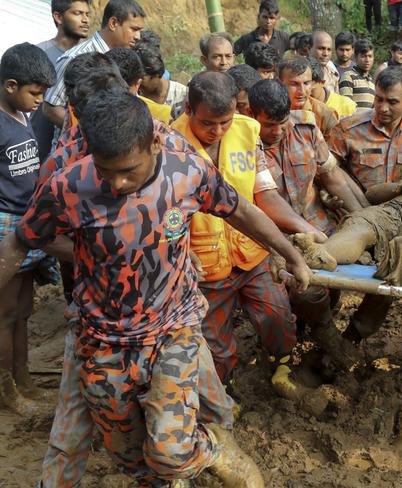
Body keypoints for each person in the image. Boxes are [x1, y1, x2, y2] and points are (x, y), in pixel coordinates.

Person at [2, 88, 299, 486]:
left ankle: (217, 450)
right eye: (107, 171)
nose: (118, 183)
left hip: (171, 330)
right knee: (134, 460)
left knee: (170, 451)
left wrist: (289, 253)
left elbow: (239, 209)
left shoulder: (187, 172)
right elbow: (22, 240)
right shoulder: (68, 187)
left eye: (129, 170)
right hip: (102, 341)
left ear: (155, 143)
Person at [171, 72, 328, 416]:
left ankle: (282, 369)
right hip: (204, 265)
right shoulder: (168, 145)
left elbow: (263, 193)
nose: (217, 131)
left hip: (251, 251)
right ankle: (223, 392)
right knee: (215, 339)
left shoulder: (246, 131)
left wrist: (302, 227)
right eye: (208, 123)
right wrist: (181, 256)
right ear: (188, 109)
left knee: (277, 315)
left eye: (224, 121)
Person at [247, 79, 363, 369]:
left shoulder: (307, 128)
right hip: (272, 237)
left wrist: (363, 215)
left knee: (334, 282)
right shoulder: (242, 140)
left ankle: (314, 323)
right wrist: (305, 232)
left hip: (318, 225)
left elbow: (332, 177)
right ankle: (322, 331)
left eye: (281, 123)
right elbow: (265, 200)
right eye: (268, 125)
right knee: (306, 290)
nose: (276, 131)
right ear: (252, 116)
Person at [328, 67, 402, 343]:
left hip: (395, 219)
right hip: (354, 214)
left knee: (392, 275)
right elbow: (327, 173)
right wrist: (332, 199)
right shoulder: (348, 129)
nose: (383, 107)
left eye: (392, 101)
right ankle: (320, 325)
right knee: (328, 274)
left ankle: (354, 336)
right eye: (378, 99)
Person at [0, 43, 56, 412]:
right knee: (4, 313)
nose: (40, 101)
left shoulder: (24, 116)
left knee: (22, 310)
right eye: (35, 93)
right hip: (6, 224)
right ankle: (7, 392)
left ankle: (22, 378)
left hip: (26, 218)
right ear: (10, 85)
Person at [42, 0, 146, 135]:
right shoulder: (76, 57)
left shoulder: (129, 59)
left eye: (139, 31)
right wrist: (88, 133)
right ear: (113, 23)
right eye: (134, 29)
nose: (138, 36)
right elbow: (51, 107)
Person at [32, 0, 91, 162]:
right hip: (36, 150)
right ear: (58, 17)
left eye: (87, 14)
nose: (85, 20)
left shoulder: (89, 59)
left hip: (69, 153)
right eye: (78, 13)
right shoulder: (38, 54)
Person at [277, 57, 339, 141]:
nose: (302, 91)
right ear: (280, 83)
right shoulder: (268, 111)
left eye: (306, 83)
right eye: (294, 84)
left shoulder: (325, 115)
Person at [339, 39, 375, 111]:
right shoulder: (348, 76)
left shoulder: (372, 82)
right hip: (353, 121)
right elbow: (346, 107)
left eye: (370, 56)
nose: (367, 60)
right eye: (363, 56)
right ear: (355, 57)